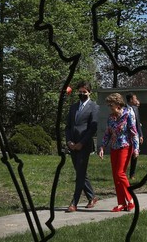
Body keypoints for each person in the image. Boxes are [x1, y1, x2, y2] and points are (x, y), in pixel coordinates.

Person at [98, 93, 139, 212]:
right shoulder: (111, 117)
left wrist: (136, 148)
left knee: (120, 173)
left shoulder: (128, 114)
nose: (110, 107)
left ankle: (130, 200)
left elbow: (134, 132)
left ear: (118, 103)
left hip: (125, 146)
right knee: (116, 176)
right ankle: (121, 203)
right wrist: (102, 147)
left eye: (111, 104)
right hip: (114, 148)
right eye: (108, 105)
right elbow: (107, 133)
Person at [65, 81, 99, 212]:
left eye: (84, 92)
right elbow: (68, 126)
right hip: (72, 144)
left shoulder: (94, 107)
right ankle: (92, 197)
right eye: (79, 92)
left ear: (89, 92)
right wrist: (69, 142)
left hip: (84, 145)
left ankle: (74, 203)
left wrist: (81, 143)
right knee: (81, 172)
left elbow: (92, 128)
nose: (81, 94)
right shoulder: (73, 107)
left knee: (80, 174)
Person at [125, 92, 144, 180]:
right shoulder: (124, 108)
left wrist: (140, 135)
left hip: (135, 135)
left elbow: (137, 122)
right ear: (131, 100)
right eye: (135, 98)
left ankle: (132, 174)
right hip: (126, 135)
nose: (136, 100)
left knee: (135, 154)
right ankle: (123, 172)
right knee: (126, 154)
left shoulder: (135, 109)